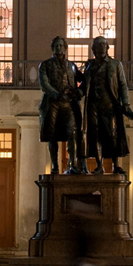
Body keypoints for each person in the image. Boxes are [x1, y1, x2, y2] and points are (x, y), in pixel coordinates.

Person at [81, 35, 133, 174]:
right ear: (93, 49)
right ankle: (99, 165)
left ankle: (116, 165)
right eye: (98, 45)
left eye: (103, 45)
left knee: (113, 134)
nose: (101, 48)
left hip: (110, 105)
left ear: (107, 48)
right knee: (95, 135)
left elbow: (123, 85)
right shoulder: (89, 65)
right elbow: (84, 86)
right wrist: (74, 93)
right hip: (93, 104)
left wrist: (126, 103)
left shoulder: (115, 64)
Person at [38, 36, 85, 175]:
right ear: (52, 48)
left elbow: (84, 80)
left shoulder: (71, 65)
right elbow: (44, 84)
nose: (59, 48)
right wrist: (57, 94)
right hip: (52, 103)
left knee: (72, 133)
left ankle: (72, 164)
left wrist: (79, 92)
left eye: (61, 45)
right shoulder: (45, 65)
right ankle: (54, 165)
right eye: (56, 45)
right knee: (52, 135)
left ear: (65, 47)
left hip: (68, 104)